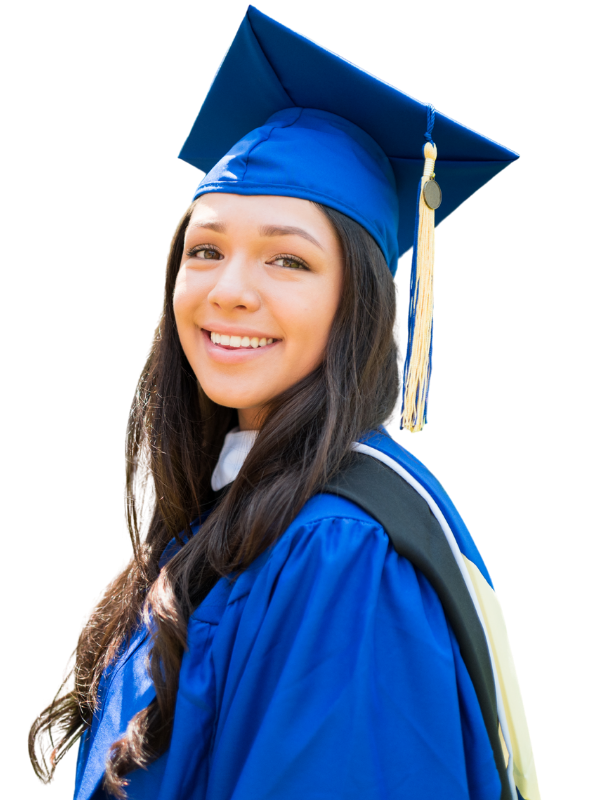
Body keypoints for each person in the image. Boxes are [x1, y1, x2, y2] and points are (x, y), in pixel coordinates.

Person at [27, 6, 540, 800]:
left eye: (288, 260)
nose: (229, 292)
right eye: (206, 250)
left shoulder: (343, 557)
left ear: (356, 302)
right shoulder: (229, 516)